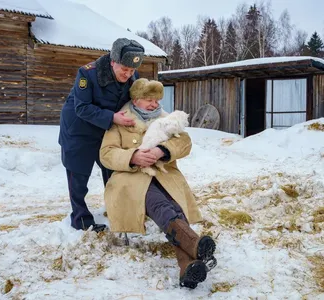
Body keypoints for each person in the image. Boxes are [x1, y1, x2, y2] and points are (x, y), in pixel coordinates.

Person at [100, 78, 217, 289]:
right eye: (148, 100)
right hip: (131, 177)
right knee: (160, 205)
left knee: (175, 205)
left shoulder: (166, 119)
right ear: (135, 101)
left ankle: (188, 266)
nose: (154, 104)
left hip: (163, 173)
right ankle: (195, 245)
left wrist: (162, 151)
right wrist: (133, 156)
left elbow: (184, 142)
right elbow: (106, 154)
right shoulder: (120, 121)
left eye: (157, 100)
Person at [59, 38, 145, 232]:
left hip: (107, 131)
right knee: (78, 175)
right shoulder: (87, 74)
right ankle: (80, 219)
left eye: (132, 70)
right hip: (78, 130)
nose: (128, 74)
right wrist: (113, 117)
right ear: (113, 61)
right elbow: (82, 107)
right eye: (124, 69)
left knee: (113, 171)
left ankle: (118, 210)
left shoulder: (133, 75)